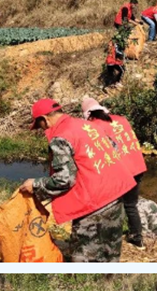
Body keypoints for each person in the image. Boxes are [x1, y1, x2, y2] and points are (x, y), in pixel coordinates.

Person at [20, 99, 136, 263]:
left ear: (45, 119)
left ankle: (83, 287)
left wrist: (35, 184)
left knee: (82, 257)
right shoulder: (87, 125)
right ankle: (111, 285)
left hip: (94, 202)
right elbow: (114, 147)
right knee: (110, 253)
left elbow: (64, 179)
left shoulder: (60, 137)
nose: (41, 129)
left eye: (39, 125)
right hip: (115, 194)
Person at [81, 97, 147, 249]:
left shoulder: (93, 126)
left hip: (121, 170)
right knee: (131, 205)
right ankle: (138, 239)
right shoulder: (120, 119)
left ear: (88, 114)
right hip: (137, 166)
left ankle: (108, 239)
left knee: (110, 205)